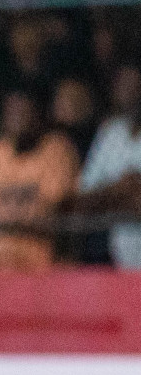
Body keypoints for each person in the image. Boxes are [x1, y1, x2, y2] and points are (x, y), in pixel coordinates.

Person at [0, 90, 78, 273]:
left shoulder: (57, 149)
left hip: (45, 267)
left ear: (39, 115)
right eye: (11, 112)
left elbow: (57, 209)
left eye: (23, 112)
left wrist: (9, 225)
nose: (17, 118)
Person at [73, 61, 141, 268]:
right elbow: (83, 194)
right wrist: (121, 190)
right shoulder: (110, 132)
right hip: (117, 254)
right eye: (124, 86)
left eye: (135, 86)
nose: (129, 93)